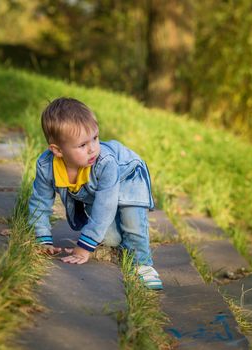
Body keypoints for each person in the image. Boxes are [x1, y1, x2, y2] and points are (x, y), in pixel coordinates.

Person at [28, 97, 163, 290]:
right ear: (57, 150)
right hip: (98, 190)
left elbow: (104, 206)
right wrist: (42, 238)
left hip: (129, 176)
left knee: (132, 224)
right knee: (111, 239)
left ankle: (142, 263)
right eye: (82, 145)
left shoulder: (104, 162)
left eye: (95, 138)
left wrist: (84, 247)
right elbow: (40, 202)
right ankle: (122, 247)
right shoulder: (46, 166)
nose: (93, 149)